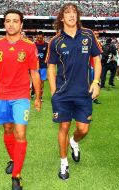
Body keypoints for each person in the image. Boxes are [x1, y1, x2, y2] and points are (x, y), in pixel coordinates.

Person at [0, 9, 41, 190]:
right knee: (7, 129)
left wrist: (38, 96)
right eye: (8, 21)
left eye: (15, 21)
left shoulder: (29, 46)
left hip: (21, 96)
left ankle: (16, 176)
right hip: (2, 96)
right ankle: (14, 159)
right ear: (4, 24)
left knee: (20, 133)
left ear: (21, 24)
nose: (11, 24)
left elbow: (34, 73)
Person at [47, 3, 102, 180]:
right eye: (67, 13)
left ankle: (74, 142)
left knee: (83, 129)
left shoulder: (88, 35)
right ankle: (64, 163)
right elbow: (50, 67)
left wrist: (96, 81)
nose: (71, 15)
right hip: (62, 95)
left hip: (82, 94)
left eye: (74, 13)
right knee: (64, 126)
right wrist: (54, 90)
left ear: (77, 16)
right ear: (61, 18)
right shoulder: (55, 41)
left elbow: (97, 60)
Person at [35, 31, 48, 101]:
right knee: (36, 81)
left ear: (43, 37)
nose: (39, 38)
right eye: (38, 37)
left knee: (42, 81)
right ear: (36, 37)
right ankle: (35, 93)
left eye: (40, 37)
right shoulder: (33, 45)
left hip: (43, 66)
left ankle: (40, 96)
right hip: (35, 66)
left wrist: (46, 61)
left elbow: (48, 54)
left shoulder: (46, 45)